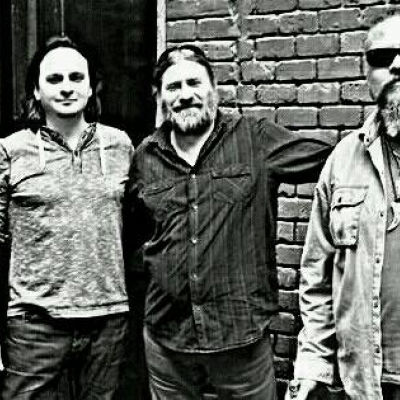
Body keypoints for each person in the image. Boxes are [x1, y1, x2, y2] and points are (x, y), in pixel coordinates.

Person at [126, 44, 336, 400]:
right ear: (159, 97)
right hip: (167, 341)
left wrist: (374, 137)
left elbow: (330, 160)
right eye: (173, 87)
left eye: (194, 83)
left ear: (214, 89)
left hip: (240, 340)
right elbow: (134, 233)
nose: (185, 95)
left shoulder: (254, 139)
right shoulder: (145, 156)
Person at [0, 35, 134, 399]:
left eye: (76, 78)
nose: (66, 88)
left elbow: (135, 227)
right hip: (34, 327)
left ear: (91, 88)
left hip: (107, 324)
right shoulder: (11, 151)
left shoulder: (120, 146)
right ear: (36, 90)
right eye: (54, 79)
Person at [285, 14, 400, 400]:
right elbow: (317, 279)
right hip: (366, 384)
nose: (397, 65)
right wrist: (312, 368)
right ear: (366, 72)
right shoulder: (342, 161)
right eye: (382, 57)